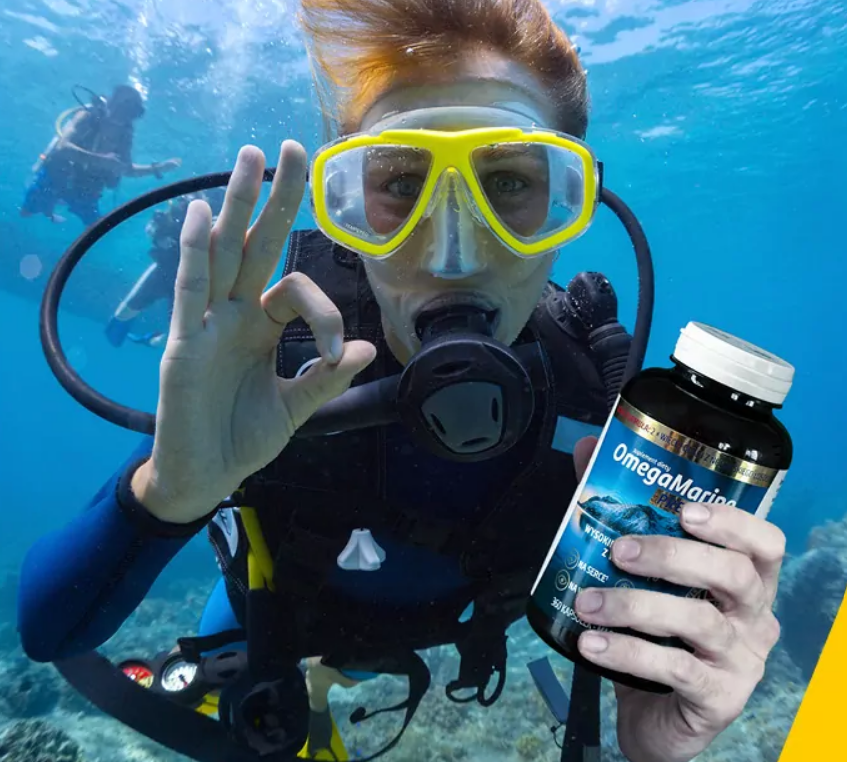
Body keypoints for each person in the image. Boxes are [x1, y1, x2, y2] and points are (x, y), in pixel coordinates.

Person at [17, 2, 786, 762]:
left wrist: (658, 733)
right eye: (398, 183)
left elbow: (638, 623)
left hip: (453, 622)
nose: (453, 255)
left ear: (568, 204)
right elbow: (49, 632)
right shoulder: (272, 366)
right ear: (345, 210)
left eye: (508, 184)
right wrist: (168, 492)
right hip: (276, 618)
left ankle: (331, 682)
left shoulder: (595, 408)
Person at [20, 84, 181, 226]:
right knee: (26, 212)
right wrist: (101, 160)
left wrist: (157, 168)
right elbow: (62, 147)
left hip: (85, 189)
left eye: (131, 112)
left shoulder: (125, 135)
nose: (122, 116)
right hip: (57, 177)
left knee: (96, 227)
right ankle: (44, 212)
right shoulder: (88, 116)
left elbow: (125, 169)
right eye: (121, 107)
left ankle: (54, 212)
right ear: (111, 103)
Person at [105, 189, 226, 348]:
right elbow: (152, 229)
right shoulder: (178, 210)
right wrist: (158, 235)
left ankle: (150, 341)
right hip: (163, 270)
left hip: (192, 279)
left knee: (178, 335)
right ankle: (133, 339)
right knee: (119, 319)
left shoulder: (219, 213)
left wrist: (216, 231)